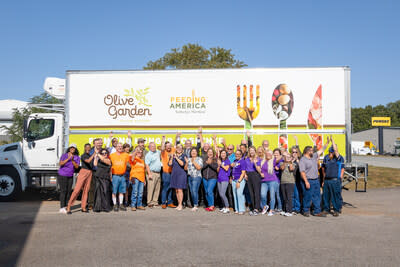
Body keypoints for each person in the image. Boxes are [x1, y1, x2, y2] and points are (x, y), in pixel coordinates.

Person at [299, 137, 329, 217]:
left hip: (316, 180)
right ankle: (305, 210)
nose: (313, 151)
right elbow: (302, 172)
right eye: (312, 150)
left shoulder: (314, 156)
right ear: (307, 151)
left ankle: (317, 211)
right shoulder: (303, 160)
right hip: (308, 180)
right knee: (307, 196)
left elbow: (321, 150)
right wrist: (306, 182)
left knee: (317, 196)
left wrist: (327, 143)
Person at [67, 143, 95, 214]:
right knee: (77, 190)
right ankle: (69, 206)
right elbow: (88, 161)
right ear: (85, 148)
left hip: (90, 172)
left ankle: (83, 207)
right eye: (87, 147)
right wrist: (94, 154)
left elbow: (94, 164)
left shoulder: (91, 156)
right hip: (83, 171)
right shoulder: (83, 155)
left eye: (89, 147)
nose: (88, 148)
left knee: (86, 190)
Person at [321, 136, 344, 217]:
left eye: (332, 152)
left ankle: (336, 210)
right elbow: (323, 169)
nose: (330, 154)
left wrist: (332, 140)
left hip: (335, 180)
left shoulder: (339, 158)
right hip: (327, 180)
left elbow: (336, 150)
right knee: (325, 196)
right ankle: (326, 209)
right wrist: (323, 181)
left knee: (335, 196)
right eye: (329, 152)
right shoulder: (326, 158)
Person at [58, 144, 80, 214]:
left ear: (75, 149)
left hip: (70, 175)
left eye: (74, 148)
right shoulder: (64, 155)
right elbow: (61, 164)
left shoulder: (77, 157)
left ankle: (66, 206)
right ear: (69, 149)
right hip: (62, 175)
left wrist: (72, 160)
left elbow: (77, 167)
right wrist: (68, 158)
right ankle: (61, 207)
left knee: (68, 191)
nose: (72, 149)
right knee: (63, 191)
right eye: (71, 148)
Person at [256, 150, 279, 216]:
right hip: (264, 181)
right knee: (262, 194)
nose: (268, 155)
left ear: (272, 155)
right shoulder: (262, 161)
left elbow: (279, 158)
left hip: (272, 181)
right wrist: (260, 173)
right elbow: (258, 168)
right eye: (267, 153)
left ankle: (271, 210)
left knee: (272, 196)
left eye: (270, 153)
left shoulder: (273, 160)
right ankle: (265, 206)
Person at [109, 143, 130, 211]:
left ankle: (121, 204)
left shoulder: (125, 155)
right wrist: (110, 176)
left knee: (121, 191)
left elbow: (131, 158)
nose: (120, 147)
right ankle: (115, 204)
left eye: (121, 146)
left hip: (122, 176)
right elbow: (108, 165)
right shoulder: (111, 155)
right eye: (118, 146)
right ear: (116, 148)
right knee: (114, 191)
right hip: (115, 175)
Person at [169, 144, 188, 210]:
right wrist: (171, 157)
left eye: (180, 148)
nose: (179, 149)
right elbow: (170, 164)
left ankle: (180, 204)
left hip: (181, 174)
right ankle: (178, 204)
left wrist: (176, 157)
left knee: (180, 189)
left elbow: (182, 164)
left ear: (182, 149)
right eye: (177, 148)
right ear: (176, 149)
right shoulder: (172, 155)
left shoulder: (184, 155)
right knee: (176, 190)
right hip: (174, 174)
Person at [93, 148, 112, 212]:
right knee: (98, 192)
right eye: (103, 153)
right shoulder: (99, 160)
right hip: (98, 177)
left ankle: (105, 207)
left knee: (105, 191)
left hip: (105, 178)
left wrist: (98, 154)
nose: (104, 154)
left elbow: (104, 160)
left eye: (105, 153)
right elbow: (95, 164)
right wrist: (96, 157)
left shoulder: (108, 160)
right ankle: (98, 207)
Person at [161, 136, 177, 209]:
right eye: (167, 146)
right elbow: (161, 148)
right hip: (166, 173)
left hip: (172, 173)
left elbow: (175, 145)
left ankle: (170, 202)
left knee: (171, 188)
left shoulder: (173, 150)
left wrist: (176, 137)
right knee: (165, 188)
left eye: (169, 146)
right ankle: (163, 203)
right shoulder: (163, 152)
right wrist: (163, 140)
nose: (169, 147)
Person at [145, 142, 162, 208]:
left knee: (157, 188)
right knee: (151, 188)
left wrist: (163, 140)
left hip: (158, 173)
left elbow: (162, 149)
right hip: (151, 173)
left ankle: (155, 201)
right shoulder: (148, 155)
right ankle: (149, 202)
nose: (153, 147)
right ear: (149, 147)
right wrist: (149, 174)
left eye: (154, 146)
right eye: (152, 146)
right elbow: (147, 165)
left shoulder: (157, 152)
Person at [245, 146, 261, 215]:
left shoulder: (258, 159)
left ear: (255, 151)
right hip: (249, 175)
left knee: (256, 192)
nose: (251, 152)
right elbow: (245, 168)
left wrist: (255, 163)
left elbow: (259, 170)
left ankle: (257, 208)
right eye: (250, 150)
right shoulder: (247, 159)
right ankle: (254, 208)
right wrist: (245, 174)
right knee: (251, 192)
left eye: (253, 150)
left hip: (255, 175)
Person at [87, 138, 103, 209]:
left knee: (100, 188)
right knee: (92, 188)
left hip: (101, 171)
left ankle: (99, 204)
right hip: (93, 171)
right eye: (97, 143)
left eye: (100, 143)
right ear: (94, 144)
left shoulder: (103, 150)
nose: (99, 144)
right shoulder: (90, 151)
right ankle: (91, 204)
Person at [280, 152, 297, 216]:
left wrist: (290, 162)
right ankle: (285, 210)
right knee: (284, 197)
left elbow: (291, 169)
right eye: (286, 157)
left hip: (290, 182)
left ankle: (289, 211)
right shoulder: (282, 163)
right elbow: (282, 168)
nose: (287, 158)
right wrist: (285, 161)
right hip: (283, 182)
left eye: (289, 157)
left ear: (291, 158)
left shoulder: (293, 164)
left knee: (289, 197)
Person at [231, 150, 246, 215]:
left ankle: (241, 209)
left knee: (239, 194)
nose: (237, 155)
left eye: (239, 154)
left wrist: (239, 181)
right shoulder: (235, 161)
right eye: (236, 154)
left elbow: (243, 173)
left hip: (240, 180)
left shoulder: (243, 161)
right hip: (234, 180)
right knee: (235, 195)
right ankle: (237, 209)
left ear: (241, 155)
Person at [217, 150, 231, 214]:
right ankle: (224, 207)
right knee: (220, 194)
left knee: (223, 194)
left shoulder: (227, 161)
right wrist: (218, 165)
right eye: (222, 153)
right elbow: (218, 170)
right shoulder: (220, 161)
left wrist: (221, 164)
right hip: (219, 179)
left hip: (225, 179)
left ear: (226, 154)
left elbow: (226, 168)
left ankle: (227, 207)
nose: (223, 154)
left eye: (224, 153)